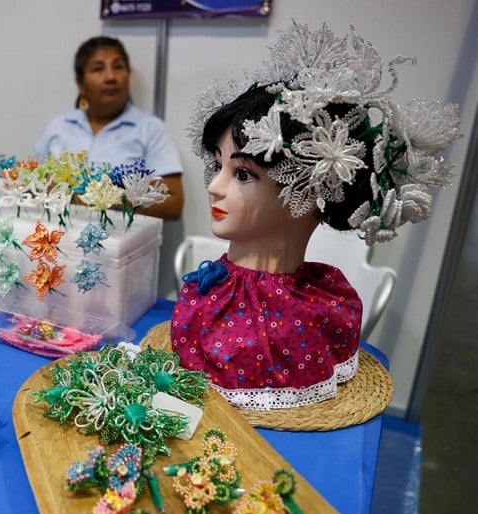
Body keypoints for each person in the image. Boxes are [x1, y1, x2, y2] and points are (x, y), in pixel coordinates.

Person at [170, 22, 460, 411]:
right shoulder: (206, 296)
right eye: (218, 165)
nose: (214, 186)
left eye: (242, 174)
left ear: (307, 189)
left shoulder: (308, 323)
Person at [34, 36, 184, 220]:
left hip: (122, 245)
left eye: (118, 67)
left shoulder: (150, 129)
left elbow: (174, 204)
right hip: (58, 242)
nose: (111, 77)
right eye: (98, 69)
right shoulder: (59, 126)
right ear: (80, 84)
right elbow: (35, 185)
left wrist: (113, 199)